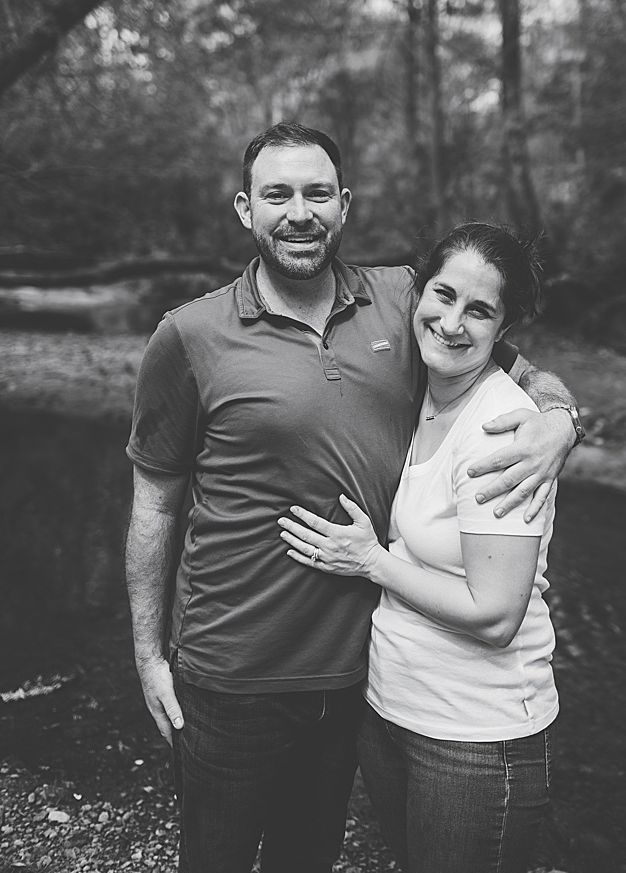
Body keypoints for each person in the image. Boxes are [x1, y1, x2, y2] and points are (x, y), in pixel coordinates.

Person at [125, 123, 583, 872]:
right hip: (231, 671)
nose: (298, 212)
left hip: (352, 682)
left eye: (316, 193)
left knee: (308, 859)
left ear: (346, 204)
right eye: (278, 194)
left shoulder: (406, 298)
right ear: (246, 209)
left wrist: (560, 424)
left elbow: (519, 368)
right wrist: (148, 656)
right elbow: (154, 502)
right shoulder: (188, 336)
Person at [278, 222, 557, 873]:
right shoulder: (422, 395)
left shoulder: (498, 433)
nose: (453, 321)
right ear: (418, 291)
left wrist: (370, 560)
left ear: (503, 325)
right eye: (444, 294)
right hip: (394, 711)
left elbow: (495, 614)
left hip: (475, 735)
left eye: (480, 310)